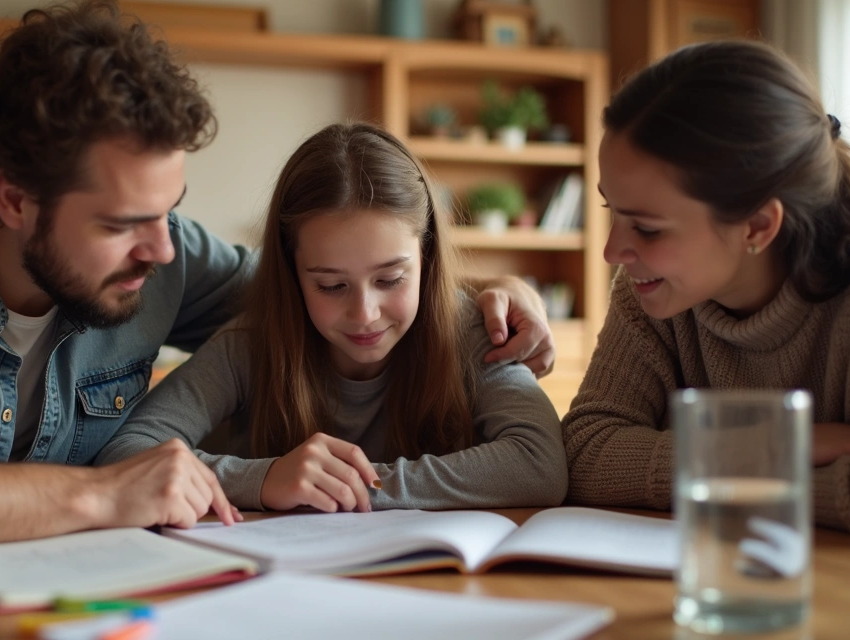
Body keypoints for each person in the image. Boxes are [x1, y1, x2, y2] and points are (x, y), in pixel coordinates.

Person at [0, 1, 555, 583]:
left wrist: (481, 294)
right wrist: (102, 493)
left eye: (168, 211)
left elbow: (321, 291)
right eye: (122, 223)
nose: (164, 249)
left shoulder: (160, 258)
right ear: (14, 197)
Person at [98, 122, 568, 513]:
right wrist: (264, 478)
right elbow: (128, 451)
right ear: (292, 272)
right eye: (331, 285)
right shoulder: (250, 344)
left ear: (427, 258)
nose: (365, 314)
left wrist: (355, 487)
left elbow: (540, 464)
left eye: (390, 279)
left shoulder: (474, 330)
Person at [563, 39, 850, 540]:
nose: (611, 251)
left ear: (757, 226)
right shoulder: (654, 292)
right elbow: (587, 453)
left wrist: (711, 471)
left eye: (647, 228)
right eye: (610, 210)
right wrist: (773, 446)